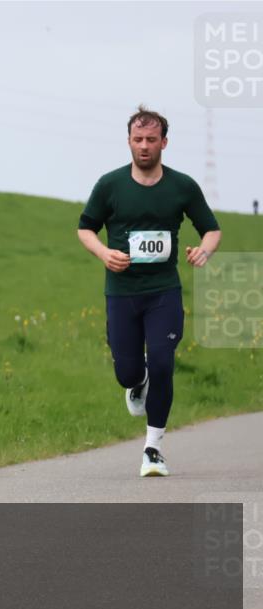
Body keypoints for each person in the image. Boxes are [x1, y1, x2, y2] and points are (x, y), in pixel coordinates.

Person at [77, 106, 221, 477]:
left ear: (164, 143)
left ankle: (153, 449)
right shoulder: (110, 185)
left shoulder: (182, 186)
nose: (144, 146)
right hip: (122, 292)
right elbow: (85, 228)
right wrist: (104, 253)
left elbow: (211, 228)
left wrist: (203, 250)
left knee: (162, 362)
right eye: (138, 139)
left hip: (163, 292)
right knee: (128, 372)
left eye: (151, 140)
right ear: (128, 142)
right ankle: (136, 383)